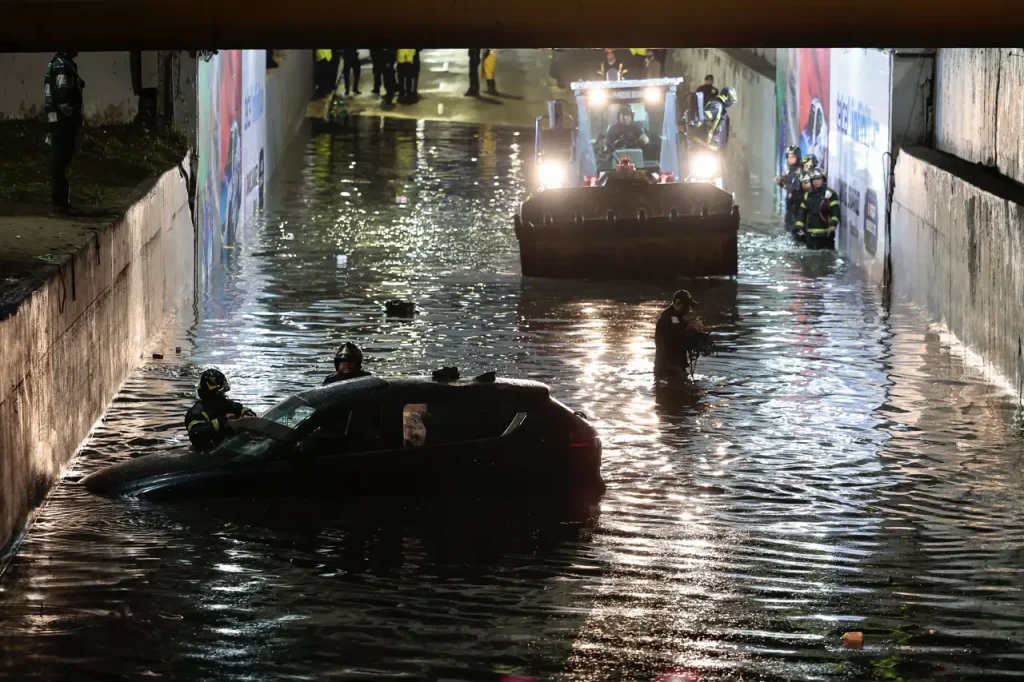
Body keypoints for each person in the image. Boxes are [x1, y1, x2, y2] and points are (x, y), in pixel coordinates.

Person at [45, 51, 84, 213]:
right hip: (63, 122)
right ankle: (61, 204)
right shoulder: (63, 66)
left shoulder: (56, 63)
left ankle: (60, 203)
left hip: (56, 120)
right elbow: (62, 97)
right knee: (60, 161)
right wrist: (72, 117)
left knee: (59, 161)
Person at [184, 369, 255, 451]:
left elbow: (240, 409)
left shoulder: (225, 404)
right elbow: (196, 434)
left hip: (229, 447)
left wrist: (248, 414)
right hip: (208, 455)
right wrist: (222, 421)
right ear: (215, 392)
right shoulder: (196, 412)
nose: (224, 395)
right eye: (222, 392)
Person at [654, 290, 705, 379]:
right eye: (686, 306)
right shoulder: (669, 317)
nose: (688, 309)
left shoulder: (677, 317)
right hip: (668, 366)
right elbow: (680, 337)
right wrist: (694, 330)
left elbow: (682, 333)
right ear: (677, 303)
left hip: (674, 364)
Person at [794, 169, 841, 242]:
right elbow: (802, 212)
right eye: (814, 179)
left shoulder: (830, 194)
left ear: (823, 180)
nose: (816, 181)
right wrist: (799, 227)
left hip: (826, 234)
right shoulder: (807, 194)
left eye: (818, 179)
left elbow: (835, 211)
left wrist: (833, 225)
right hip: (810, 233)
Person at [775, 145, 803, 230]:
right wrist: (780, 182)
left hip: (797, 205)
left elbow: (799, 188)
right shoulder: (790, 171)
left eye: (793, 157)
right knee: (788, 226)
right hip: (790, 204)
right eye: (788, 157)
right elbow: (787, 187)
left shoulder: (801, 171)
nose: (790, 159)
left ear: (797, 157)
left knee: (795, 228)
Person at [702, 86, 737, 151]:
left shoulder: (721, 110)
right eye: (732, 101)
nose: (731, 104)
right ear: (729, 98)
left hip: (712, 149)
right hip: (705, 147)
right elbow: (703, 118)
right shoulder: (716, 106)